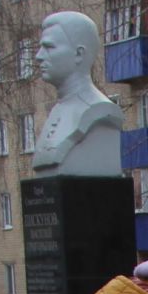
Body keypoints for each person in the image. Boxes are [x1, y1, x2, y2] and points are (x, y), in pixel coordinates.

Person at [31, 11, 126, 177]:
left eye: (49, 47)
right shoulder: (56, 111)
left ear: (79, 54)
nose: (39, 56)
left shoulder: (100, 111)